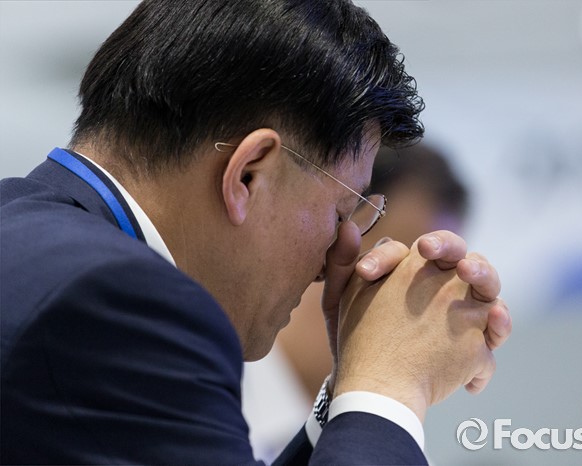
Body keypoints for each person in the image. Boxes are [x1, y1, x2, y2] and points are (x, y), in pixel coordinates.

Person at [0, 1, 511, 465]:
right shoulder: (116, 301)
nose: (339, 257)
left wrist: (354, 382)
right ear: (249, 174)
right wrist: (391, 387)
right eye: (342, 212)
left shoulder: (32, 233)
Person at [243, 142, 473, 461]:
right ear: (326, 239)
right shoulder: (195, 392)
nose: (412, 315)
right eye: (390, 269)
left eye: (432, 288)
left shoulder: (398, 450)